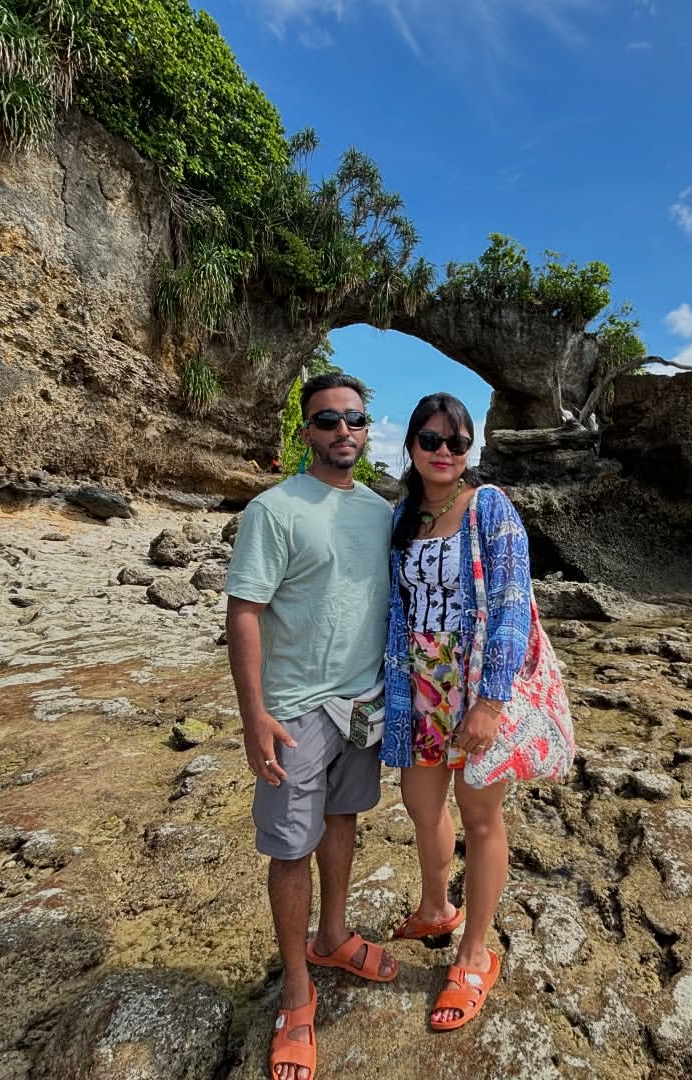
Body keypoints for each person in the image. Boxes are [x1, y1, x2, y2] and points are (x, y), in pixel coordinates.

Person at [225, 372, 397, 1080]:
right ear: (305, 432)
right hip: (293, 709)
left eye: (355, 419)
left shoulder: (383, 513)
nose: (343, 432)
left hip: (362, 702)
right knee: (289, 847)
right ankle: (296, 989)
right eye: (328, 421)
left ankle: (333, 935)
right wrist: (253, 716)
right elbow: (244, 613)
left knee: (343, 818)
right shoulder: (273, 509)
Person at [381, 392, 531, 1032]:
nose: (444, 452)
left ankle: (474, 952)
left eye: (458, 442)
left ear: (471, 450)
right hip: (414, 682)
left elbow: (511, 602)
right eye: (432, 440)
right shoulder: (401, 517)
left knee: (481, 814)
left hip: (471, 683)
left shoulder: (489, 506)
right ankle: (437, 908)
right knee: (422, 805)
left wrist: (491, 701)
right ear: (411, 445)